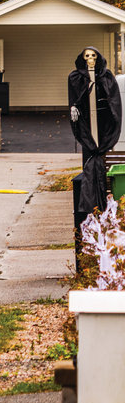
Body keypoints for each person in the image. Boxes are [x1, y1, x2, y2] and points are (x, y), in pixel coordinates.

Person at [69, 47, 122, 267]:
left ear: (99, 58)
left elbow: (114, 102)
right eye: (86, 57)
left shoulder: (107, 77)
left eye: (93, 56)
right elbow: (74, 96)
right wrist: (73, 105)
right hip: (88, 129)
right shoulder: (75, 77)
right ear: (81, 59)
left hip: (102, 125)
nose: (90, 60)